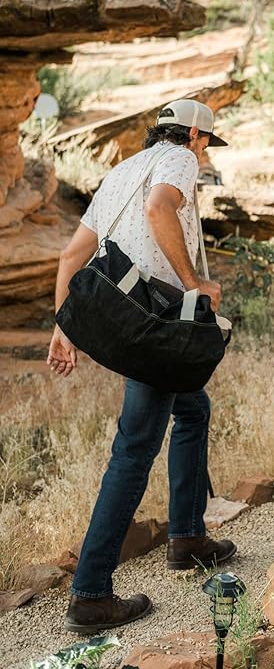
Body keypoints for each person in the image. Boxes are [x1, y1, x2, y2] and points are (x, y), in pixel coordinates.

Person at [47, 99, 237, 634]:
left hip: (127, 322)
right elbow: (158, 210)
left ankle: (187, 537)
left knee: (193, 408)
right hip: (158, 326)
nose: (205, 152)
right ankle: (90, 594)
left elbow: (70, 256)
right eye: (206, 142)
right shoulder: (179, 158)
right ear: (194, 135)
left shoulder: (121, 171)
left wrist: (64, 325)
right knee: (133, 451)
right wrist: (195, 285)